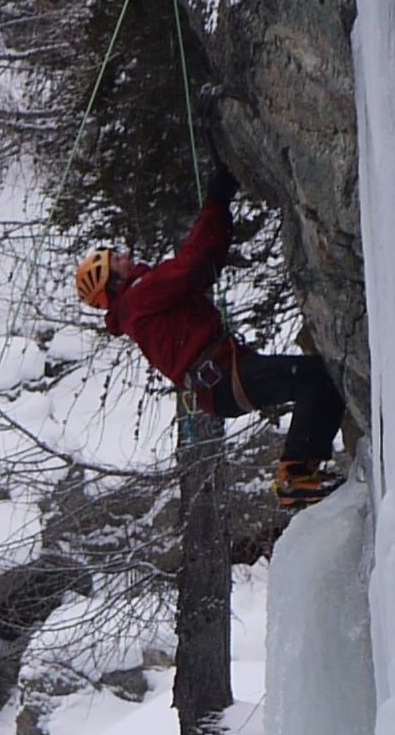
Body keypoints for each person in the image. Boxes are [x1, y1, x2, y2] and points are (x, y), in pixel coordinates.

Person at [74, 162, 345, 507]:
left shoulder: (137, 303)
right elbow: (192, 266)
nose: (125, 256)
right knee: (316, 376)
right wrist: (215, 204)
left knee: (321, 378)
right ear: (112, 282)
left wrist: (219, 211)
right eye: (116, 260)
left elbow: (203, 266)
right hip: (222, 379)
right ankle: (295, 477)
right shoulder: (137, 297)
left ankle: (303, 473)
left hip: (221, 380)